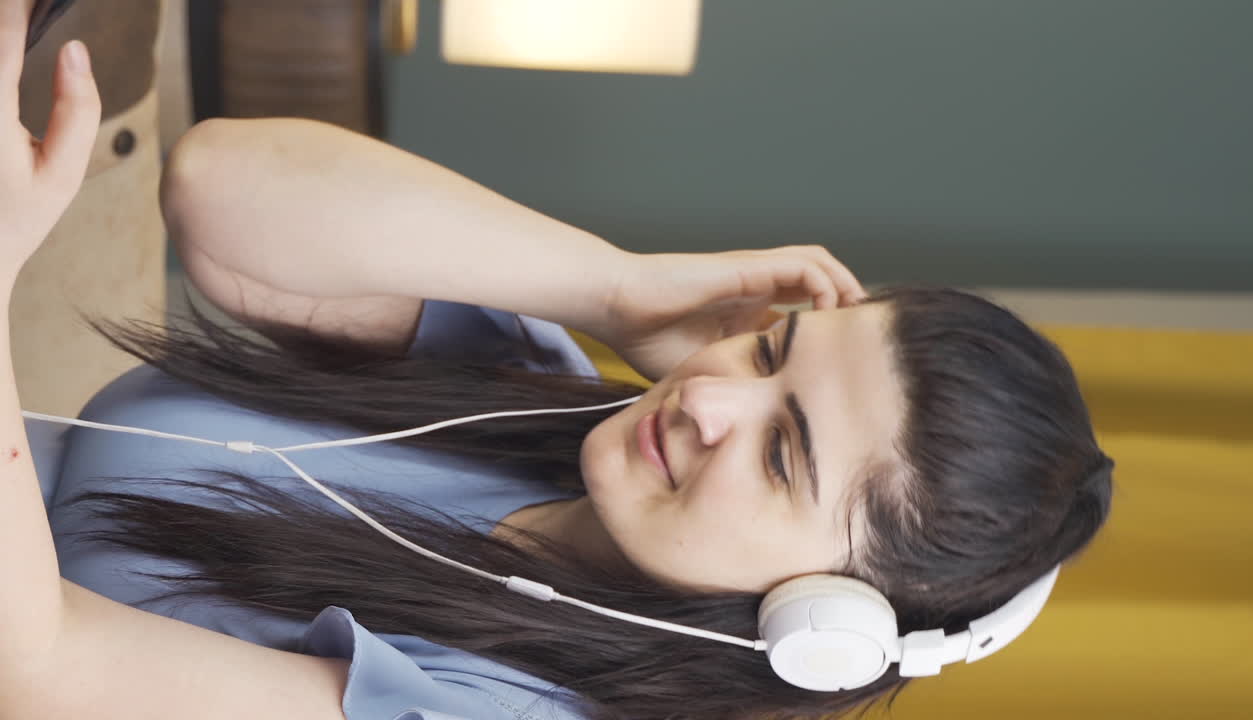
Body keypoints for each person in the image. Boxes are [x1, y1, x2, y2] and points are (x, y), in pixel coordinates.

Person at [2, 6, 1113, 719]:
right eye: (772, 349)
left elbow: (43, 673)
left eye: (781, 453)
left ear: (825, 621)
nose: (712, 396)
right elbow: (223, 190)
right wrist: (613, 288)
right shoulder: (538, 410)